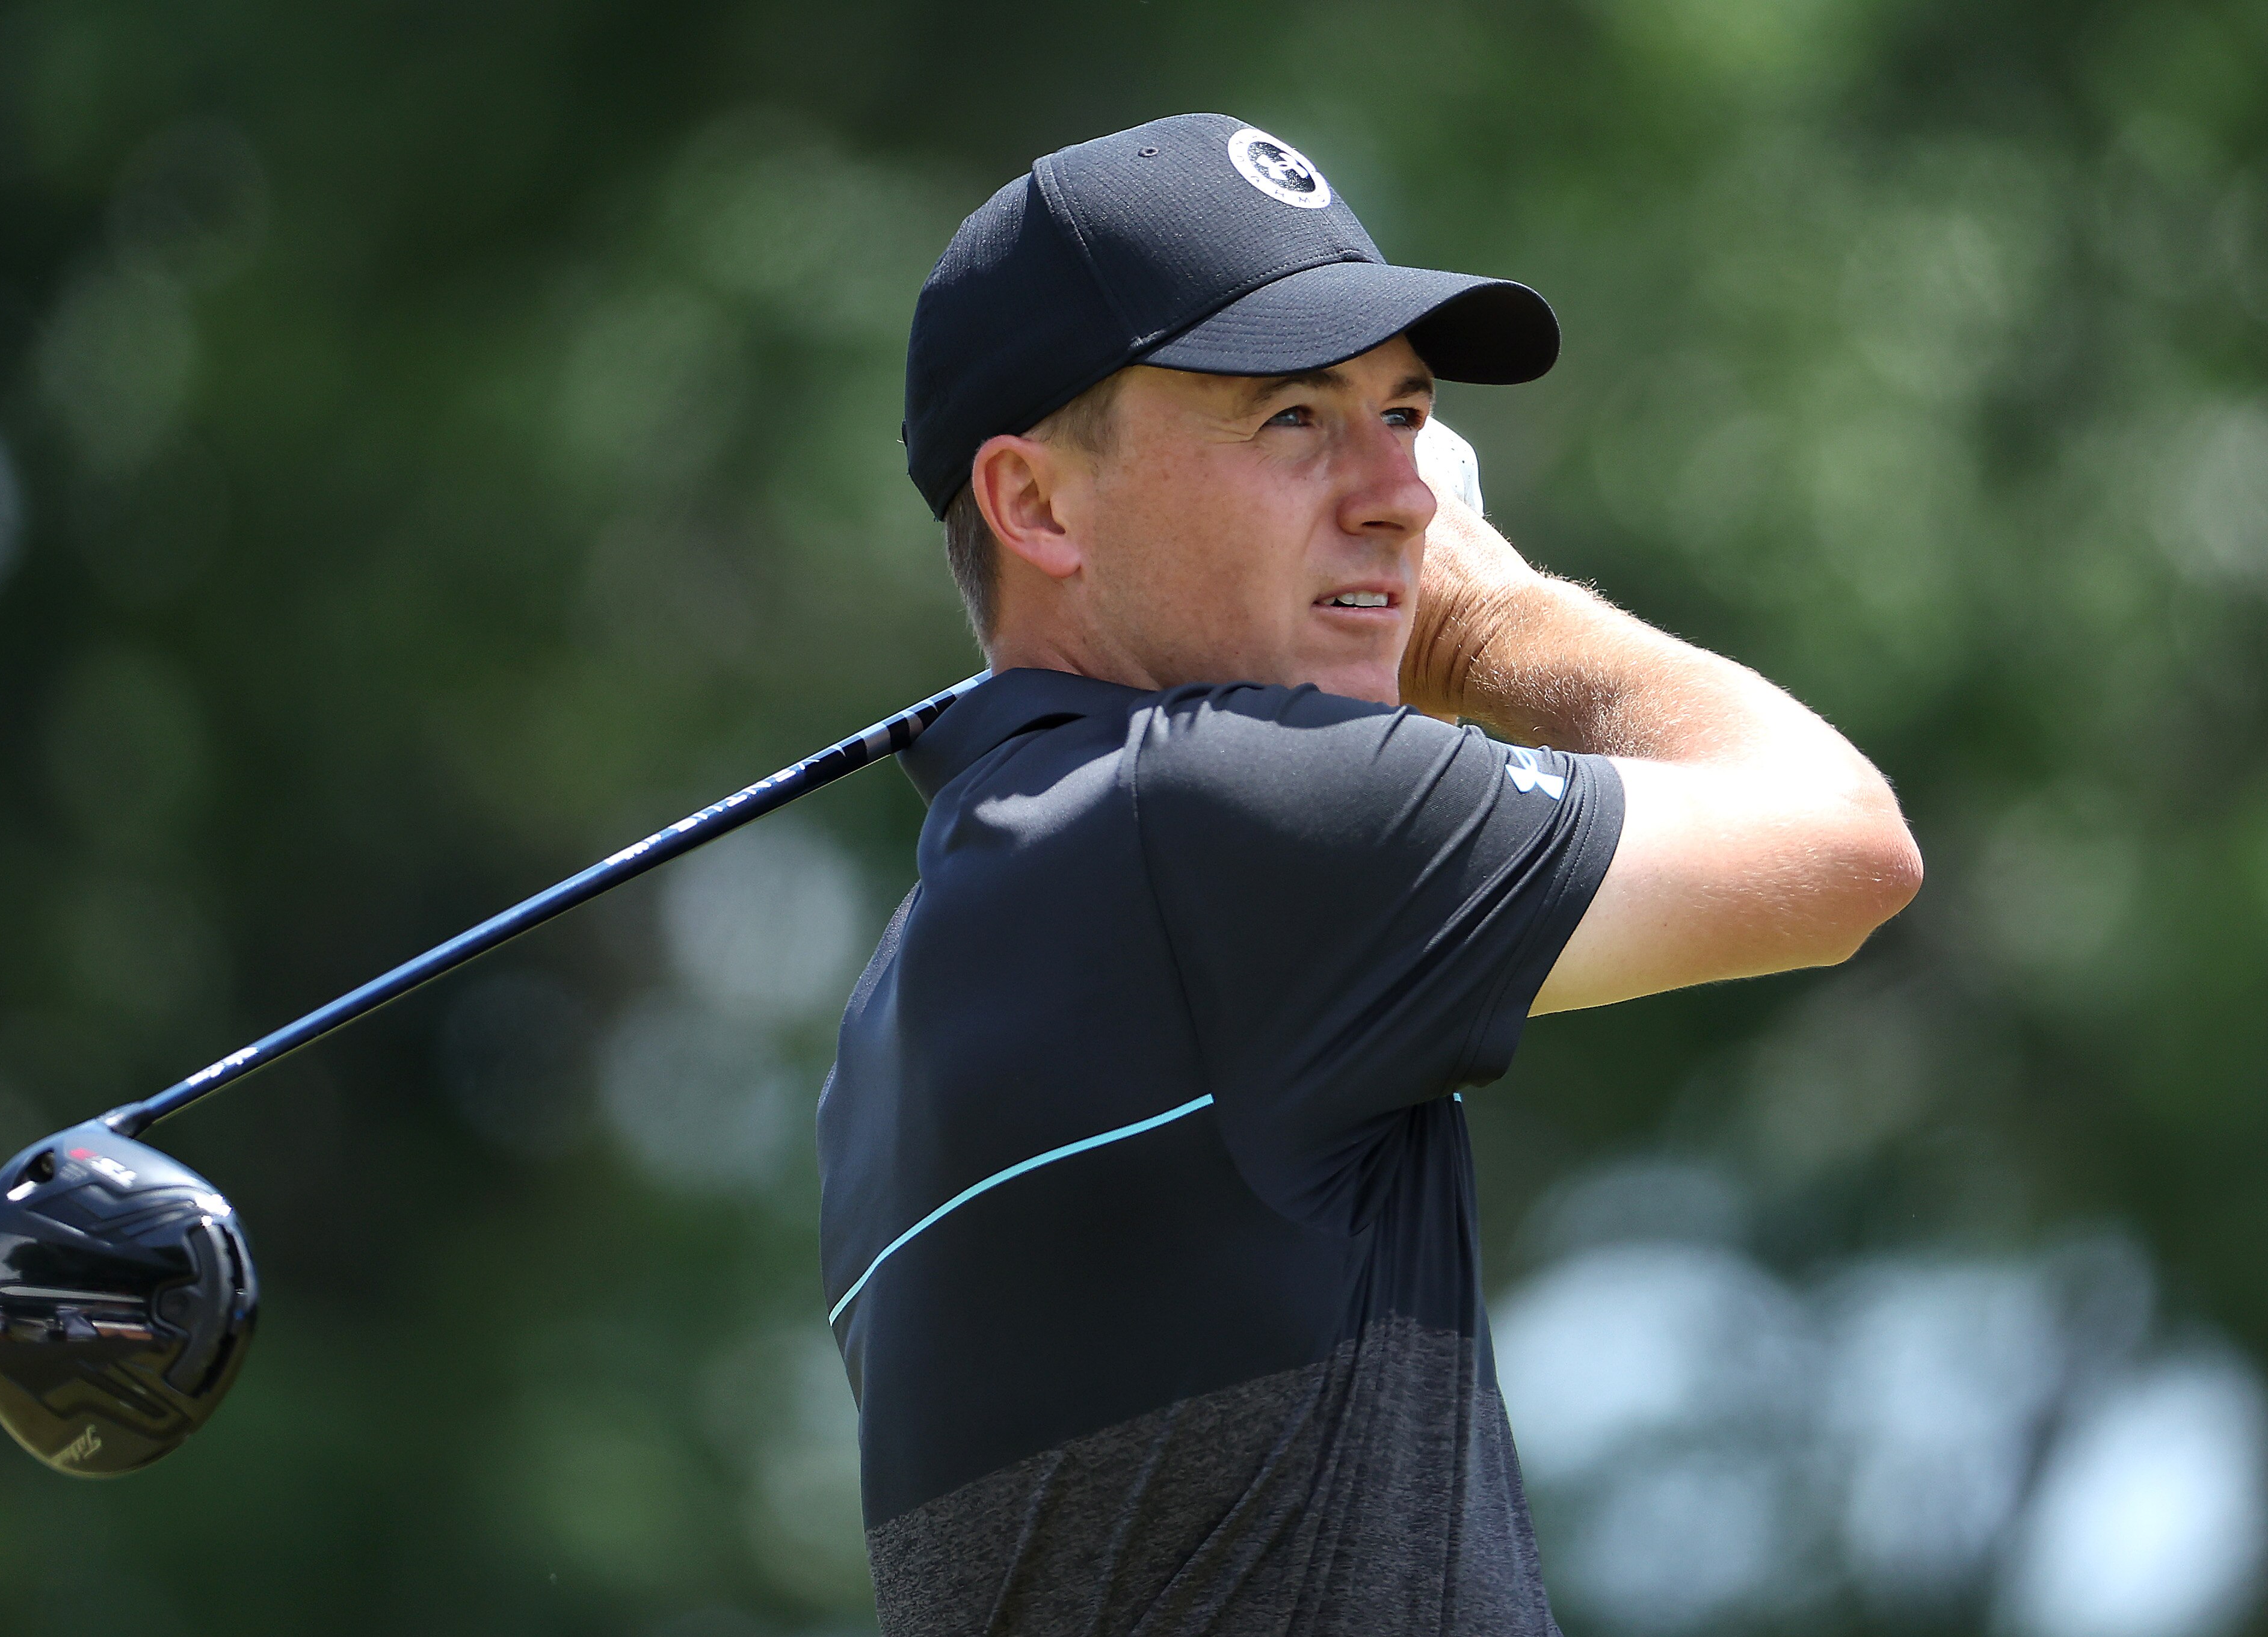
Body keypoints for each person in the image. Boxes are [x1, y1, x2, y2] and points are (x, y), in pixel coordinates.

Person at [817, 113, 1921, 1636]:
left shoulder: (900, 998)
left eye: (1403, 413)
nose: (1400, 494)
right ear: (1037, 505)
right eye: (1290, 418)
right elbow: (1839, 843)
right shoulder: (1216, 812)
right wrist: (1482, 615)